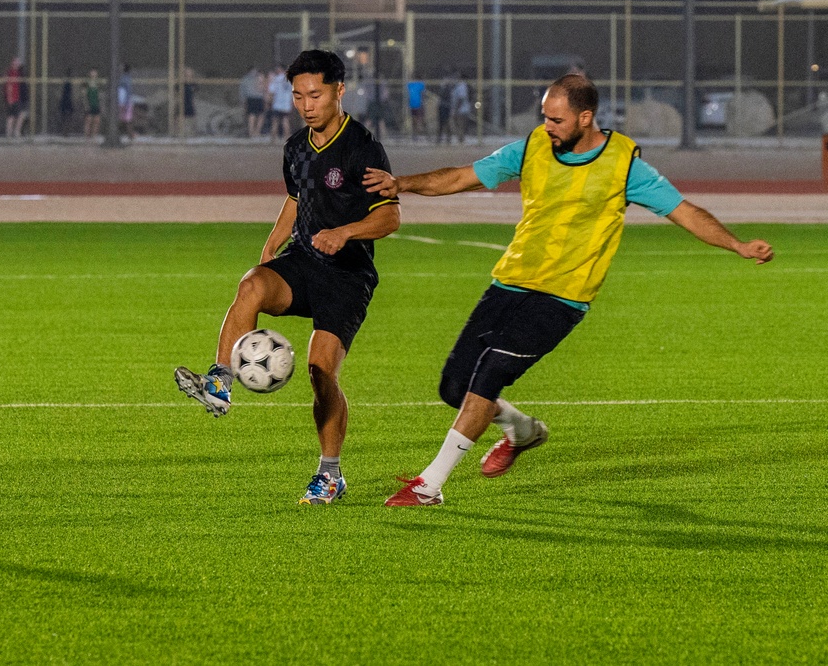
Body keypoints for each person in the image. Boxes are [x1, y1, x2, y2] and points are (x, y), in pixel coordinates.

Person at [363, 73, 774, 507]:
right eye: (544, 117)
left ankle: (429, 485)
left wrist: (738, 245)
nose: (548, 127)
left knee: (489, 376)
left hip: (563, 298)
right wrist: (402, 183)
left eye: (556, 119)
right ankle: (522, 430)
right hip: (510, 283)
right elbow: (465, 176)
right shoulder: (533, 147)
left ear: (585, 117)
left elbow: (685, 212)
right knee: (453, 387)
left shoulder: (624, 165)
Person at [175, 49, 401, 505]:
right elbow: (296, 198)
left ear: (339, 90)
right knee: (252, 283)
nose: (305, 105)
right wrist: (274, 240)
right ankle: (220, 382)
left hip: (348, 275)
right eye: (297, 96)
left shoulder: (363, 147)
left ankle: (330, 475)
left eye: (314, 95)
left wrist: (345, 232)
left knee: (320, 372)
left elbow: (391, 217)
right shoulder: (295, 147)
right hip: (304, 259)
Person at [267, 64, 293, 142]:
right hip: (286, 103)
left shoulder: (276, 79)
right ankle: (287, 138)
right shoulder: (290, 80)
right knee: (285, 120)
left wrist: (270, 101)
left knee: (275, 121)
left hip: (277, 103)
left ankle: (273, 139)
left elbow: (271, 91)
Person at [240, 65, 267, 138]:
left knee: (252, 115)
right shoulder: (259, 77)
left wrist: (243, 100)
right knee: (257, 115)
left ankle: (252, 132)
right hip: (257, 98)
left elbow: (242, 91)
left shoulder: (245, 78)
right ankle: (255, 132)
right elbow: (264, 89)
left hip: (251, 98)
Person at [3, 57, 23, 138]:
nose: (16, 65)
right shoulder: (10, 73)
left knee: (17, 115)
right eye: (15, 63)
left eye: (17, 63)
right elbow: (8, 87)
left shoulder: (18, 73)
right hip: (12, 98)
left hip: (17, 97)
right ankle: (9, 133)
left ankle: (15, 132)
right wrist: (10, 98)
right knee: (11, 116)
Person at [450, 73, 471, 143]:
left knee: (460, 125)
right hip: (460, 109)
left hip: (461, 110)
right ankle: (460, 138)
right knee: (457, 125)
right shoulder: (457, 86)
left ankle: (461, 139)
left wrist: (456, 109)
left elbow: (461, 98)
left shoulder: (462, 86)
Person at [118, 63, 135, 141]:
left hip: (125, 102)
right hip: (124, 101)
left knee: (127, 120)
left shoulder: (125, 79)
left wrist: (125, 102)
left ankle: (130, 135)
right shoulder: (124, 78)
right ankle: (129, 135)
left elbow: (126, 91)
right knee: (124, 119)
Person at [83, 68, 101, 139]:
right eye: (92, 72)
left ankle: (94, 135)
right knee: (88, 120)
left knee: (97, 120)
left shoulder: (97, 84)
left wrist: (99, 103)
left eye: (95, 73)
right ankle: (87, 135)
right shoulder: (87, 83)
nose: (94, 74)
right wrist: (86, 105)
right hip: (90, 104)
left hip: (96, 104)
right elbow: (84, 96)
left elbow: (99, 95)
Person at [59, 68, 75, 136]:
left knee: (67, 117)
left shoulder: (70, 83)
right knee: (65, 117)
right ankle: (64, 132)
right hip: (65, 101)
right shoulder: (65, 83)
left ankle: (66, 132)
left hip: (68, 101)